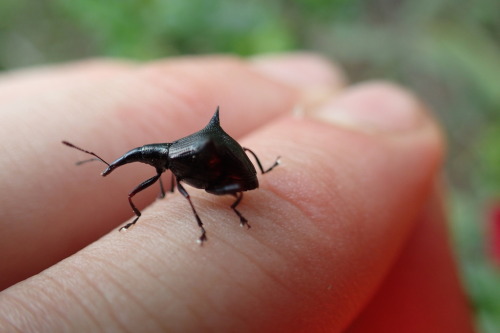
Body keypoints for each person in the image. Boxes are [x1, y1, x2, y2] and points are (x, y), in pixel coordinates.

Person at [0, 53, 473, 332]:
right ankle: (232, 198)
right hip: (213, 162)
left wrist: (205, 218)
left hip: (222, 169)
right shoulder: (170, 161)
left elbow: (180, 186)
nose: (128, 167)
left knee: (184, 194)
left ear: (152, 156)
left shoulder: (178, 161)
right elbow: (169, 177)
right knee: (173, 188)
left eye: (131, 160)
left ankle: (227, 211)